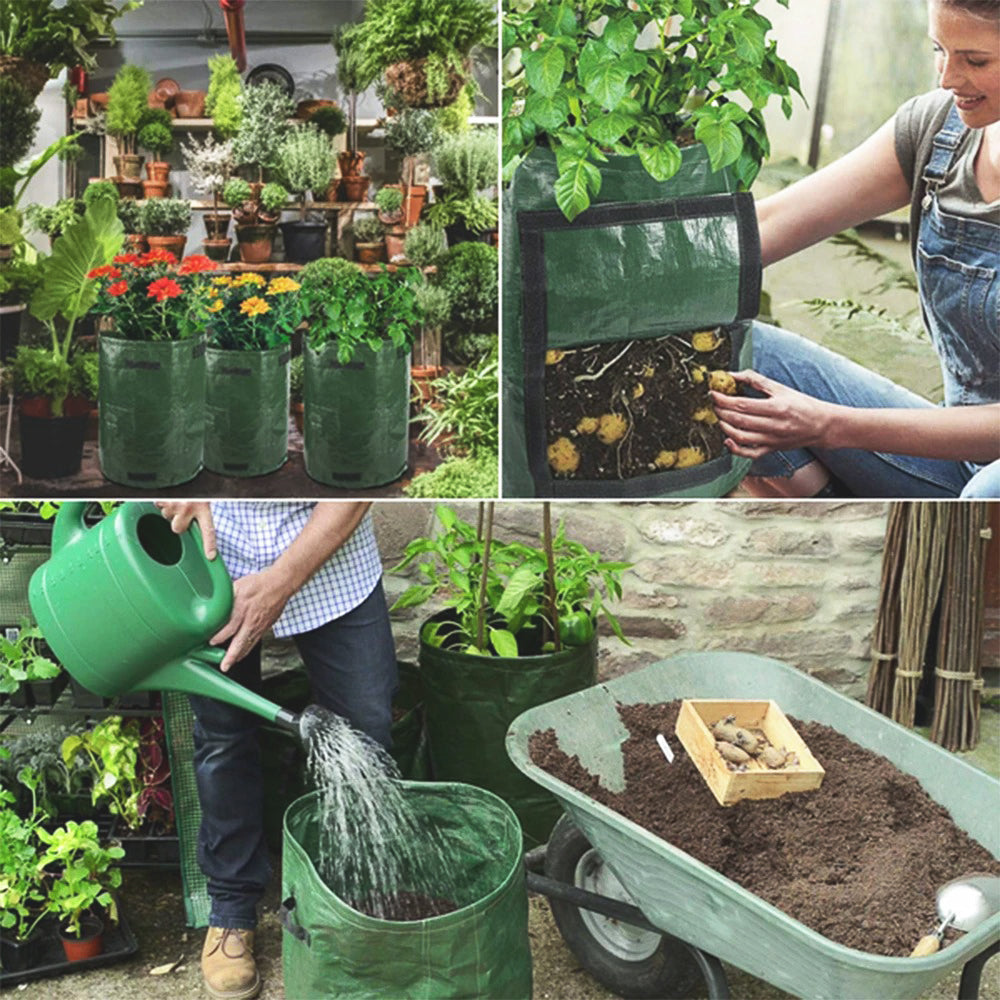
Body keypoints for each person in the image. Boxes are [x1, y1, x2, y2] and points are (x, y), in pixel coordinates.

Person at [710, 0, 999, 498]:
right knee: (735, 353)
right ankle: (834, 523)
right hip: (956, 458)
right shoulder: (937, 131)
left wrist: (830, 425)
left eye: (976, 61)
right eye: (938, 50)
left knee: (986, 498)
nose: (947, 78)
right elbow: (769, 226)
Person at [156, 501, 396, 1000]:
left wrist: (283, 581)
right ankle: (231, 912)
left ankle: (355, 900)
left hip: (333, 562)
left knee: (366, 728)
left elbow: (359, 476)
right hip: (209, 558)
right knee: (222, 739)